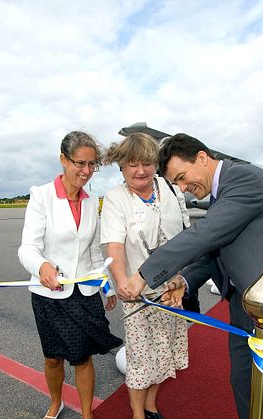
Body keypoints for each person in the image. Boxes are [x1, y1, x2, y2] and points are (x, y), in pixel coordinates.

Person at [120, 133, 263, 419]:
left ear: (202, 157)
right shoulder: (222, 194)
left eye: (183, 177)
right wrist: (182, 281)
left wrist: (144, 274)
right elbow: (214, 252)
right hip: (243, 311)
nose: (184, 189)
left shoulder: (245, 179)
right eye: (177, 184)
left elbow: (206, 234)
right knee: (245, 388)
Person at [18, 131, 122, 419]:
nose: (86, 171)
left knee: (82, 356)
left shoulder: (91, 201)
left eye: (92, 165)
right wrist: (41, 266)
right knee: (53, 358)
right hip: (49, 294)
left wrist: (107, 287)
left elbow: (94, 253)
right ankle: (56, 402)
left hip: (85, 292)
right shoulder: (42, 196)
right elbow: (27, 248)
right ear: (63, 159)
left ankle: (87, 414)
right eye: (80, 163)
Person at [100, 133, 190, 419]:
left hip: (172, 290)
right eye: (132, 164)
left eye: (147, 163)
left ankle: (151, 406)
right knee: (141, 359)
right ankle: (138, 413)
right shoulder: (116, 198)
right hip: (138, 293)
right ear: (121, 167)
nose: (141, 171)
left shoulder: (172, 189)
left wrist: (181, 280)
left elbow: (188, 237)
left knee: (164, 355)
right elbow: (114, 245)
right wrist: (122, 281)